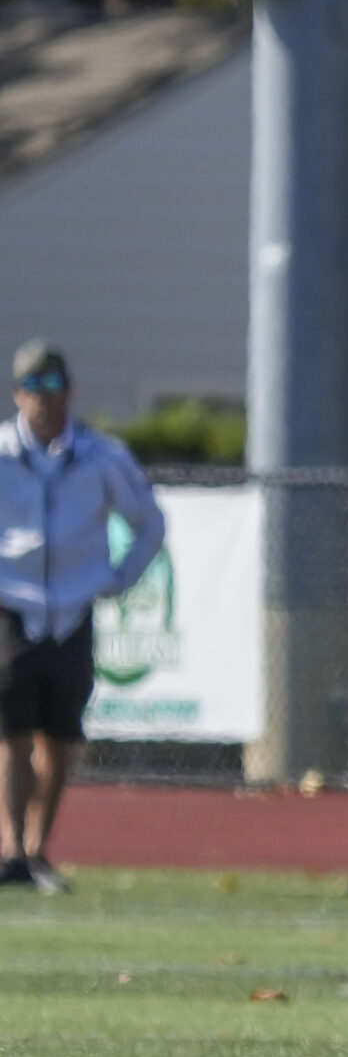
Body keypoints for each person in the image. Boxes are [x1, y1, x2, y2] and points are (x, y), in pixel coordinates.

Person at [0, 341, 164, 894]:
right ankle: (10, 851)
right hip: (14, 605)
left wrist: (119, 578)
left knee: (58, 736)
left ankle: (38, 849)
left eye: (53, 386)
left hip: (72, 609)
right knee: (11, 733)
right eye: (33, 388)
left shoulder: (101, 456)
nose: (44, 399)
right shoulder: (1, 452)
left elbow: (148, 522)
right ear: (17, 394)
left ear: (69, 390)